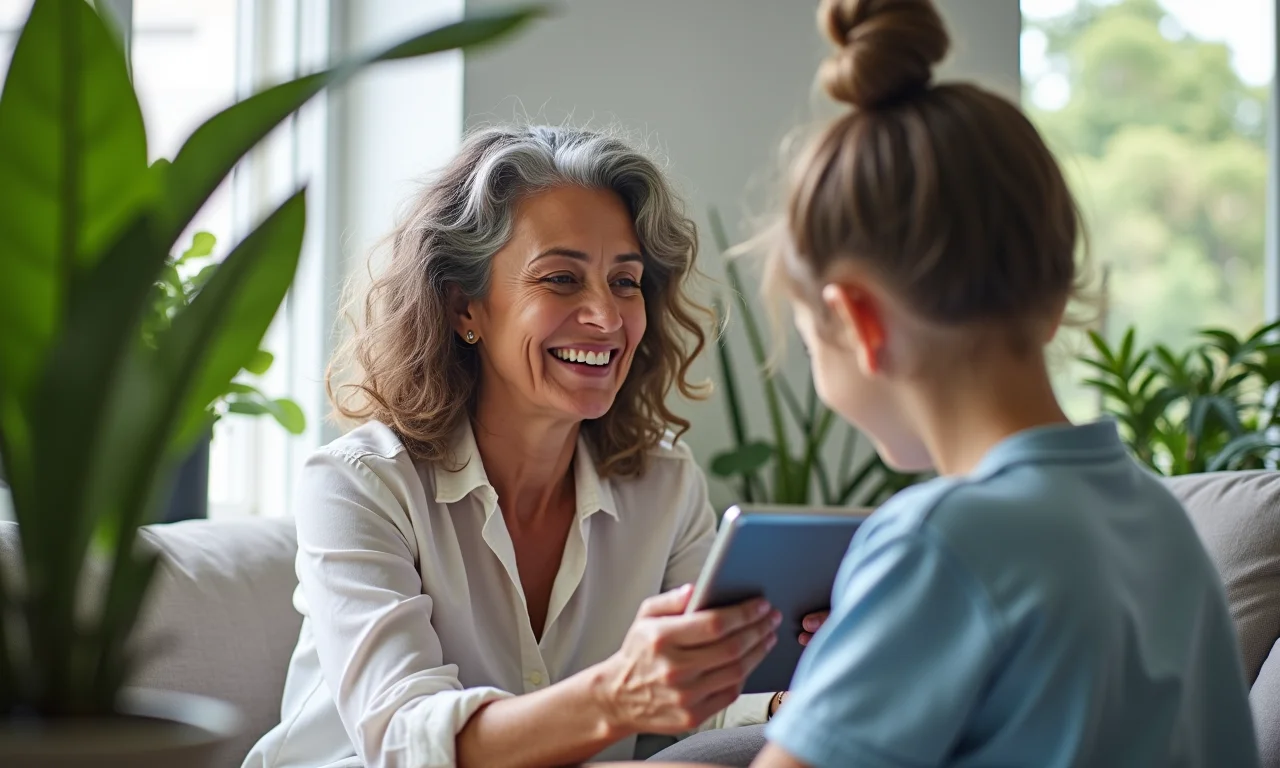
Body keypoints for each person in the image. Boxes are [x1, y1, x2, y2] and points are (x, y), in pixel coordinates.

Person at [737, 0, 1258, 766]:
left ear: (859, 323)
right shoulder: (1163, 523)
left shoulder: (936, 543)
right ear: (1053, 298)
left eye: (809, 336)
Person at [241, 125, 788, 768]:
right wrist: (616, 698)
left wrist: (795, 687)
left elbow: (706, 695)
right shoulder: (361, 483)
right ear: (462, 307)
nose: (607, 318)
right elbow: (405, 740)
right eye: (560, 279)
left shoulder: (663, 485)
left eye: (626, 281)